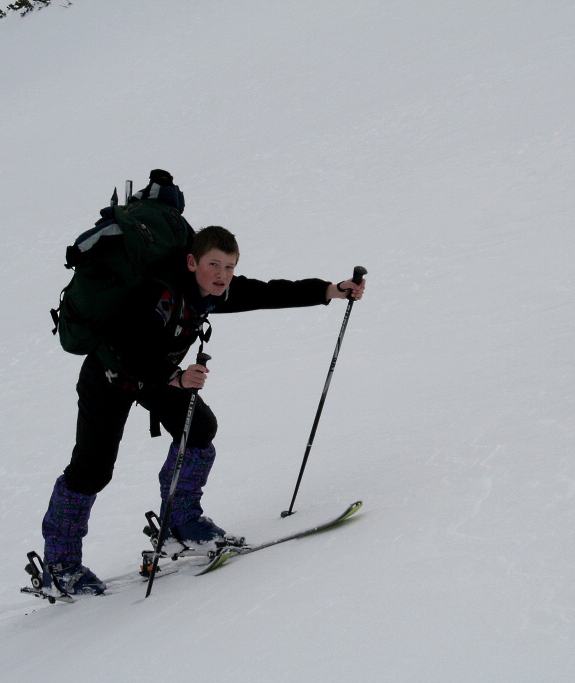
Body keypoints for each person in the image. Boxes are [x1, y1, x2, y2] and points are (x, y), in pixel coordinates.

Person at [40, 175, 366, 596]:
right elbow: (129, 352)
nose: (223, 275)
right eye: (214, 265)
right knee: (92, 470)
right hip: (111, 377)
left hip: (154, 375)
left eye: (229, 267)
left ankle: (181, 521)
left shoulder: (209, 293)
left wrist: (328, 291)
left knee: (200, 430)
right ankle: (60, 564)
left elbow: (264, 292)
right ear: (192, 262)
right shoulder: (161, 295)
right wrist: (174, 377)